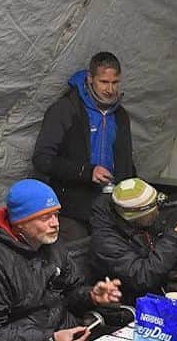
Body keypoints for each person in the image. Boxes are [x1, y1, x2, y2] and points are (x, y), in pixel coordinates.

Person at [0, 178, 122, 341]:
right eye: (45, 217)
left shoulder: (52, 246)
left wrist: (91, 296)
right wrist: (50, 339)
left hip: (66, 337)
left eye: (56, 215)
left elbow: (71, 292)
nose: (55, 224)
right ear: (20, 222)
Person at [32, 52, 136, 240]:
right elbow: (42, 159)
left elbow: (126, 161)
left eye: (115, 83)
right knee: (79, 255)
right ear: (90, 79)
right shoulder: (66, 110)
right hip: (72, 208)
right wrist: (87, 172)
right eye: (104, 82)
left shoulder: (120, 116)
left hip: (110, 207)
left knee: (113, 256)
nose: (110, 89)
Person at [90, 178, 177, 303]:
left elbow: (163, 261)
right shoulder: (107, 242)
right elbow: (143, 277)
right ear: (134, 216)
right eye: (151, 213)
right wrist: (176, 237)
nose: (157, 213)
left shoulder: (140, 224)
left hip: (157, 294)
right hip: (131, 306)